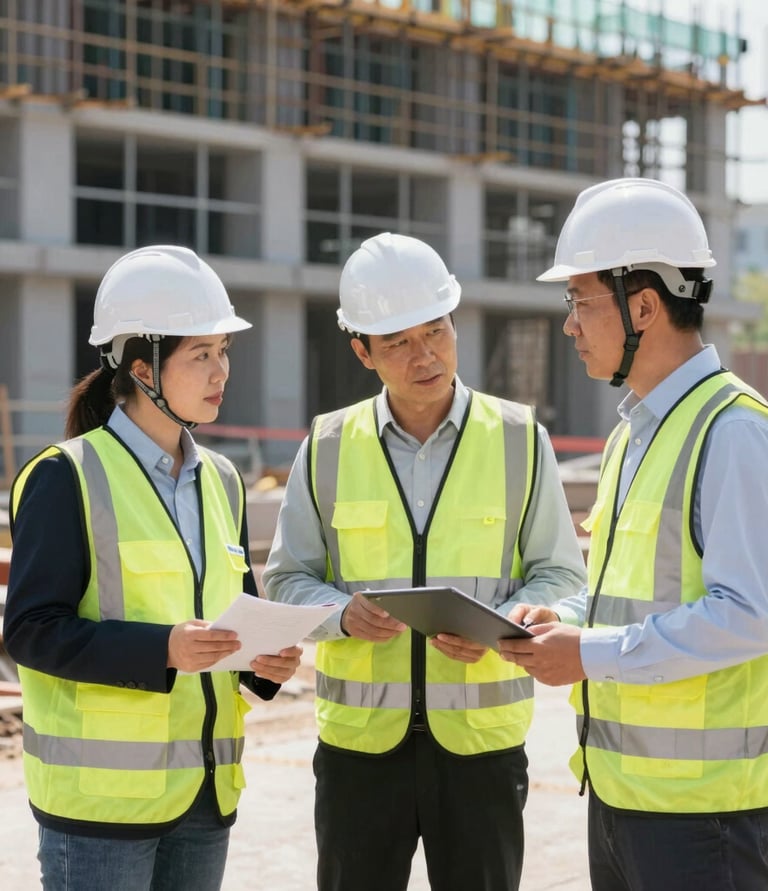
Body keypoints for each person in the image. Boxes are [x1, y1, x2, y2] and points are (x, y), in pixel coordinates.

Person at [262, 232, 586, 891]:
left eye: (435, 332)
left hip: (481, 752)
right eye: (399, 343)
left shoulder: (521, 438)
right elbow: (286, 581)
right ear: (362, 350)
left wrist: (505, 621)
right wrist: (339, 614)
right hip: (359, 755)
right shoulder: (326, 446)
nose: (425, 356)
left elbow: (561, 575)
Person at [3, 245, 302, 891]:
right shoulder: (66, 475)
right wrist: (162, 648)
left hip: (204, 791)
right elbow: (29, 631)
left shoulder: (222, 479)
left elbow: (234, 610)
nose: (221, 370)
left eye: (224, 350)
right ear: (142, 369)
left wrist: (262, 661)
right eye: (201, 354)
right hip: (99, 811)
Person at [499, 178, 768, 890]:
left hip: (710, 817)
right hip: (622, 799)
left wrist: (590, 653)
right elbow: (636, 595)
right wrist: (568, 619)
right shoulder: (636, 435)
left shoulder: (733, 432)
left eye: (579, 301)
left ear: (643, 305)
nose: (570, 324)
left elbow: (751, 615)